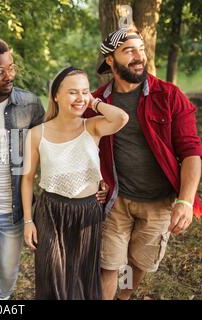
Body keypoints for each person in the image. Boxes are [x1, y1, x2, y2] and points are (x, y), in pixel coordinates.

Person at [0, 39, 108, 300]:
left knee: (8, 274)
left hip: (11, 210)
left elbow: (57, 139)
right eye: (0, 71)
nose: (9, 76)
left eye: (12, 67)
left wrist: (92, 178)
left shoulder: (29, 104)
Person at [87, 26, 202, 300]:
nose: (139, 56)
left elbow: (191, 152)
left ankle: (124, 297)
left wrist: (185, 201)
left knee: (138, 262)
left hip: (158, 201)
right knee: (109, 265)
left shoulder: (169, 96)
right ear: (111, 60)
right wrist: (93, 180)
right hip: (116, 200)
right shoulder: (98, 101)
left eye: (141, 49)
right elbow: (81, 147)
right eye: (129, 50)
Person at [22, 66, 129, 299]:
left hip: (88, 212)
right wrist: (28, 221)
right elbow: (27, 179)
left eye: (85, 91)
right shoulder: (37, 134)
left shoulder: (92, 126)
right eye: (73, 92)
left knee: (80, 280)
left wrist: (94, 103)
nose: (80, 97)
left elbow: (122, 117)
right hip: (51, 211)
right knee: (52, 276)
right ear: (56, 95)